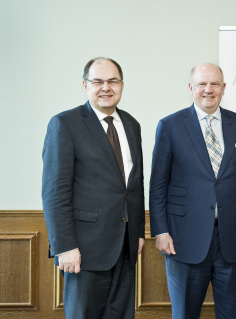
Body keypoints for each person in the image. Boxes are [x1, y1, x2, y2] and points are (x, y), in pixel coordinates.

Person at [149, 63, 236, 319]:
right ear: (191, 88)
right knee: (185, 314)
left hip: (232, 239)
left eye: (214, 84)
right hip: (183, 240)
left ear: (224, 88)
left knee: (233, 314)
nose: (208, 90)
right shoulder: (170, 126)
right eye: (202, 84)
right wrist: (160, 230)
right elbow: (158, 184)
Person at [42, 57, 145, 319]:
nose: (106, 87)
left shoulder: (132, 125)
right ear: (85, 85)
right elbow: (55, 192)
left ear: (122, 85)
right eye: (98, 81)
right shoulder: (65, 124)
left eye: (112, 81)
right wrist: (64, 246)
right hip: (83, 251)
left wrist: (138, 231)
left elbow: (134, 184)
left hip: (125, 247)